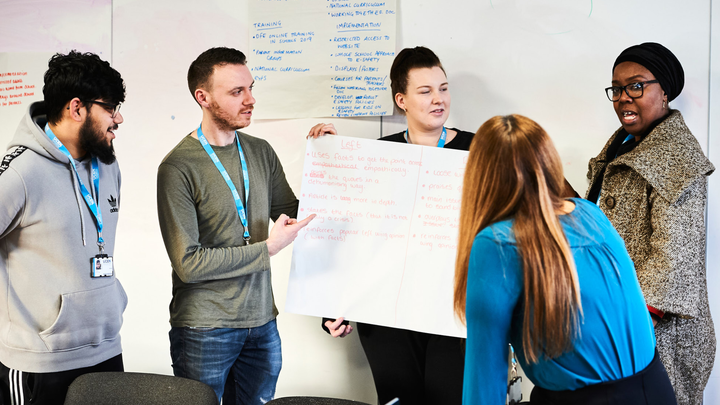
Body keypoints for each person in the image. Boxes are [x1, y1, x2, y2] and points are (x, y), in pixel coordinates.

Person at [455, 114, 676, 404]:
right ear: (548, 165)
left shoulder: (497, 242)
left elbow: (483, 380)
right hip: (655, 389)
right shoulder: (589, 213)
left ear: (480, 178)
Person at [308, 46, 471, 405]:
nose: (438, 99)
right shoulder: (378, 158)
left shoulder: (480, 151)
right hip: (388, 315)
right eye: (425, 91)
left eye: (443, 88)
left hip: (454, 314)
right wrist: (331, 157)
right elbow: (350, 236)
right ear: (402, 100)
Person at [157, 47, 314, 405]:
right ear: (203, 97)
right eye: (236, 92)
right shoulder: (178, 167)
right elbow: (189, 264)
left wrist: (330, 155)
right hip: (204, 328)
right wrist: (267, 249)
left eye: (251, 88)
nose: (250, 100)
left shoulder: (260, 152)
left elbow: (297, 214)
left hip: (261, 324)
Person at [586, 42, 715, 405]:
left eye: (637, 86)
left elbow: (674, 258)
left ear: (665, 92)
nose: (624, 97)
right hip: (619, 318)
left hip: (659, 333)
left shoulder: (679, 159)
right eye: (618, 88)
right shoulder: (624, 145)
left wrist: (630, 330)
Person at [0, 51, 127, 405]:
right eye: (111, 107)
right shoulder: (20, 173)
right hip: (41, 361)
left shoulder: (108, 165)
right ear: (76, 108)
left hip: (105, 349)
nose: (118, 118)